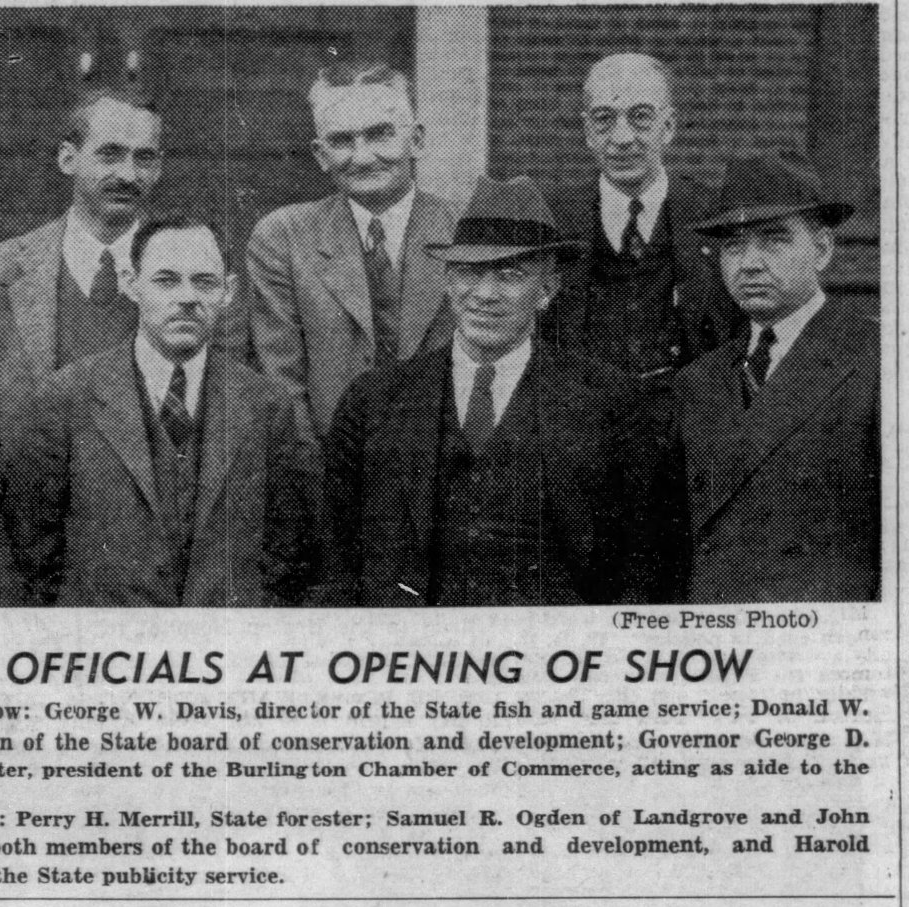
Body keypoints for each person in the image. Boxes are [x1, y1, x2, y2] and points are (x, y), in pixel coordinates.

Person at [322, 176, 658, 607]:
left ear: (547, 290)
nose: (484, 294)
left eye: (509, 274)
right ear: (446, 280)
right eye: (469, 272)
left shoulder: (608, 403)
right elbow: (338, 559)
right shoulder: (374, 401)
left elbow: (638, 564)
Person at [5, 213, 318, 606]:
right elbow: (32, 542)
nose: (187, 298)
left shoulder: (267, 404)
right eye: (166, 280)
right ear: (131, 283)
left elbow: (289, 550)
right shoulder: (67, 396)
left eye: (204, 282)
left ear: (228, 291)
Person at [0, 84, 162, 602]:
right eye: (110, 154)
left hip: (150, 549)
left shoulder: (187, 276)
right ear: (68, 158)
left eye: (145, 159)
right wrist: (0, 504)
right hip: (19, 547)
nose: (128, 175)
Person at [670, 155, 879, 602]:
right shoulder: (698, 382)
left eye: (773, 240)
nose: (749, 264)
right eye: (733, 246)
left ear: (822, 250)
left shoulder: (879, 361)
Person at [243, 60, 455, 439]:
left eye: (380, 135)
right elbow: (282, 384)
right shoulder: (284, 238)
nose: (361, 157)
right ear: (321, 154)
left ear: (417, 140)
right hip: (327, 476)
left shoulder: (461, 231)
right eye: (341, 141)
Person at [540, 53, 738, 383]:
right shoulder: (553, 219)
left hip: (687, 422)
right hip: (585, 422)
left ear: (669, 126)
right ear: (587, 130)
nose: (622, 138)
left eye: (640, 117)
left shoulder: (714, 217)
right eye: (604, 119)